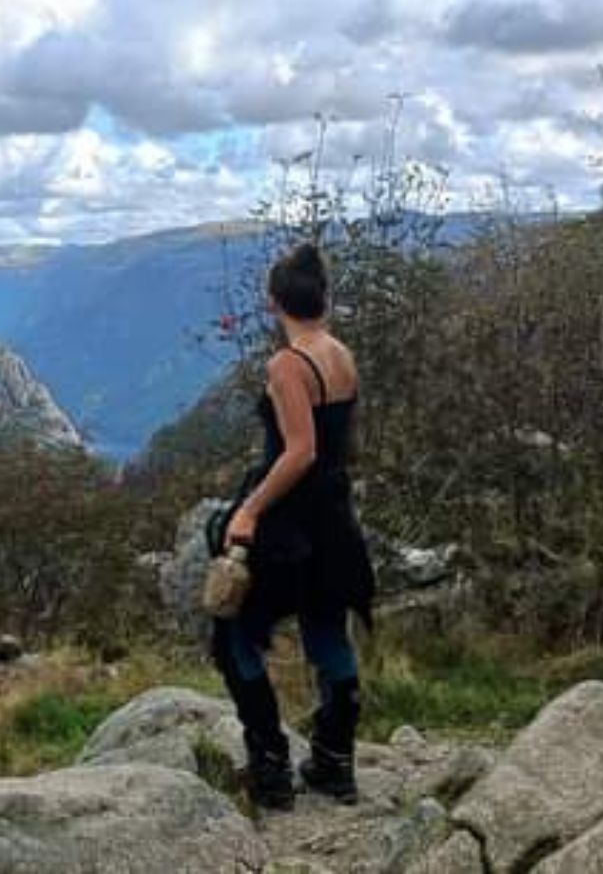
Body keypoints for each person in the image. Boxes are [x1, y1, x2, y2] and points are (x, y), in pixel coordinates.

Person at [212, 242, 375, 811]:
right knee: (326, 628)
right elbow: (334, 444)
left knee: (232, 635)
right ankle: (335, 762)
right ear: (324, 299)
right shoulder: (340, 355)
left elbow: (299, 452)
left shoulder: (288, 364)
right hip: (335, 518)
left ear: (273, 301)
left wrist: (250, 510)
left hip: (291, 526)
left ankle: (272, 767)